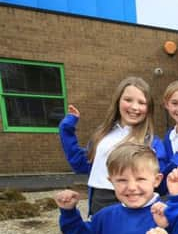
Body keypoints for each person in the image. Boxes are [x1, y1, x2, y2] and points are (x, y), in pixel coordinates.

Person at [59, 76, 166, 214]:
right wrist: (66, 129)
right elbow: (80, 164)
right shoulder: (102, 135)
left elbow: (161, 183)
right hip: (99, 201)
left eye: (142, 102)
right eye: (128, 100)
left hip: (134, 203)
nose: (134, 107)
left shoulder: (152, 143)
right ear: (118, 101)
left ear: (148, 108)